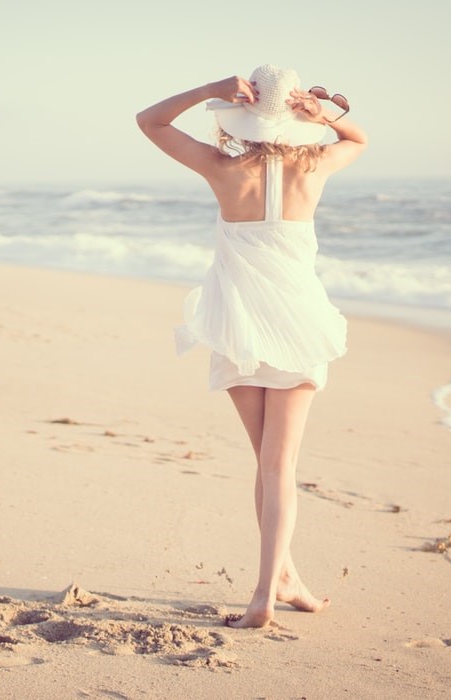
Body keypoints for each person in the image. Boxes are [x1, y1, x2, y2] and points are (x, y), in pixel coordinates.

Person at [136, 64, 367, 628]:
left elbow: (149, 120)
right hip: (298, 327)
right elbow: (359, 139)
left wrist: (209, 91)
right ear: (293, 115)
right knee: (278, 464)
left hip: (239, 328)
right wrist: (323, 115)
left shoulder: (220, 168)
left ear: (241, 114)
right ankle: (269, 589)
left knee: (267, 464)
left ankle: (281, 582)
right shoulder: (314, 166)